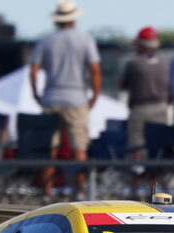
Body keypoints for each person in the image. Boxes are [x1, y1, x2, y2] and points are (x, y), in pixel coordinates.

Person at [30, 0, 102, 197]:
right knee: (79, 148)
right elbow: (95, 70)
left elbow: (33, 70)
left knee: (49, 148)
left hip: (51, 97)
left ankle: (47, 191)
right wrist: (94, 95)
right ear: (74, 18)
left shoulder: (46, 40)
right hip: (77, 98)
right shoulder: (85, 40)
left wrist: (36, 94)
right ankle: (79, 191)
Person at [119, 27, 170, 156]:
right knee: (157, 146)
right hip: (161, 107)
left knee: (136, 146)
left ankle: (137, 175)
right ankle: (155, 176)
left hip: (140, 109)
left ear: (141, 45)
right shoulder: (165, 63)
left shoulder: (133, 63)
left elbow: (122, 85)